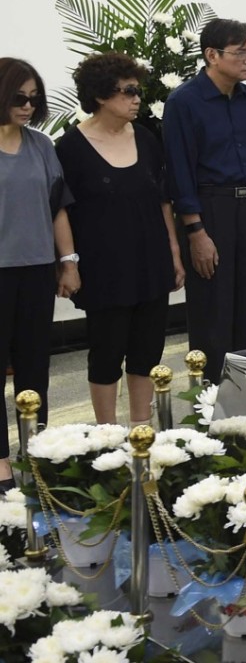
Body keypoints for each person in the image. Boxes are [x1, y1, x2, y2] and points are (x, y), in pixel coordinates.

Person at [55, 52, 185, 426]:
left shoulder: (145, 138)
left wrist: (174, 253)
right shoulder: (71, 149)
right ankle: (107, 433)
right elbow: (60, 210)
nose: (136, 98)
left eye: (137, 91)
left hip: (151, 260)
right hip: (103, 268)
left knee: (147, 349)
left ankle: (141, 427)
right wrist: (69, 263)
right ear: (100, 96)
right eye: (127, 91)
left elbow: (162, 201)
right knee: (107, 351)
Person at [162, 19, 246, 382]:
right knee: (213, 309)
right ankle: (212, 400)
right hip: (210, 209)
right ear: (212, 55)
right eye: (239, 52)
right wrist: (195, 232)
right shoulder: (185, 101)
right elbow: (180, 172)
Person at [0, 58, 77, 491]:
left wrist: (69, 261)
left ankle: (37, 452)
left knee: (34, 367)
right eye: (18, 97)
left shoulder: (40, 146)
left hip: (34, 271)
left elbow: (57, 209)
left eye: (34, 98)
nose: (28, 106)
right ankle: (0, 465)